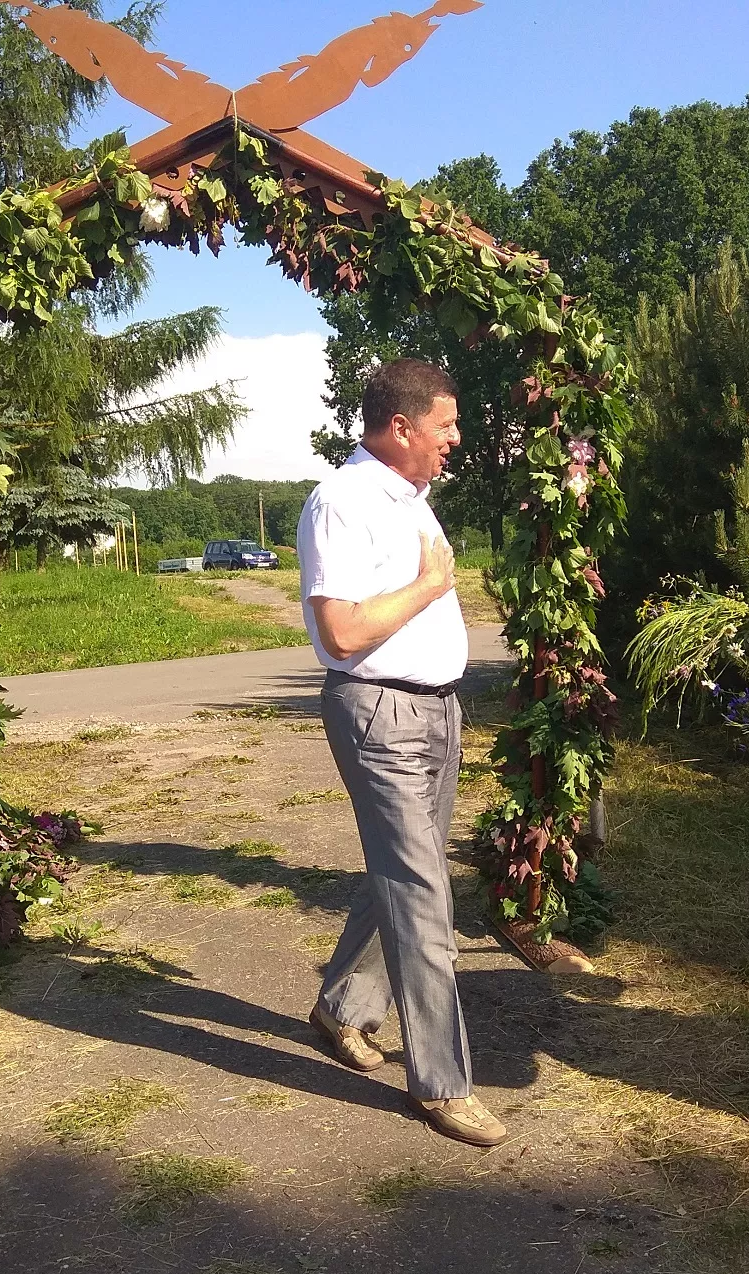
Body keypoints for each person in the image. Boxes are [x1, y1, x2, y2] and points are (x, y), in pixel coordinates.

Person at [294, 357, 506, 1148]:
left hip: (435, 712)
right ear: (400, 428)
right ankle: (443, 1085)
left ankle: (341, 1006)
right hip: (379, 713)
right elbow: (341, 632)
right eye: (446, 425)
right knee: (423, 894)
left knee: (403, 877)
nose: (456, 438)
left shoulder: (411, 499)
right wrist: (429, 586)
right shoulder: (342, 501)